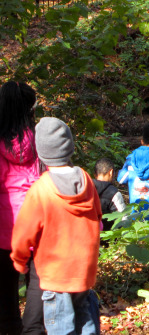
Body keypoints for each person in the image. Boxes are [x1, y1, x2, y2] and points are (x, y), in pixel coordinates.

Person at [10, 117, 102, 334]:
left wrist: (19, 260)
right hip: (84, 271)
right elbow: (98, 218)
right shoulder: (87, 180)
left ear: (40, 152)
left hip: (56, 274)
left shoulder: (41, 189)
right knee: (84, 321)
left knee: (61, 327)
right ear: (70, 146)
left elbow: (23, 234)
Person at [0, 81, 41, 335]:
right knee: (37, 279)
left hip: (4, 223)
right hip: (36, 218)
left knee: (4, 285)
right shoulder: (39, 139)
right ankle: (32, 329)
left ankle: (9, 328)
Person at [93, 157, 126, 231]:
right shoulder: (113, 192)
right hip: (109, 238)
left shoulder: (85, 187)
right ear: (111, 172)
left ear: (95, 174)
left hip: (88, 234)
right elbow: (124, 217)